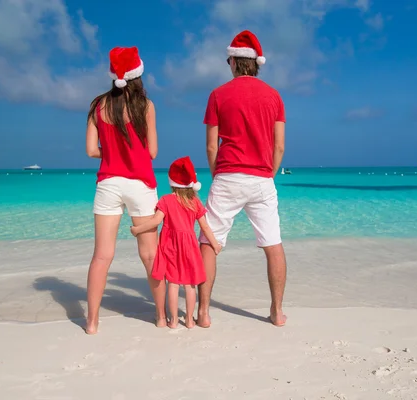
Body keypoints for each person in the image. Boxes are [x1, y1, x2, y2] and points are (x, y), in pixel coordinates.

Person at [198, 30, 287, 328]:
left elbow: (211, 146)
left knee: (209, 242)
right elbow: (279, 146)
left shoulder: (217, 95)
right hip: (262, 179)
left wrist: (217, 173)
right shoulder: (274, 96)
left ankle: (204, 312)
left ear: (234, 62)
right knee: (272, 244)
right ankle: (276, 312)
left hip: (228, 176)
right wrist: (269, 174)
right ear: (256, 64)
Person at [85, 46, 166, 334]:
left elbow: (90, 150)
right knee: (150, 256)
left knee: (102, 256)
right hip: (140, 184)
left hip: (108, 183)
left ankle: (92, 322)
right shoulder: (146, 106)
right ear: (138, 74)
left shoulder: (98, 105)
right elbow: (153, 151)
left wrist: (112, 152)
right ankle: (159, 316)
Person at [131, 157, 222, 329]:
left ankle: (172, 321)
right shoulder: (194, 202)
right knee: (189, 284)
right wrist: (215, 244)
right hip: (189, 247)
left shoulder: (165, 200)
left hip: (170, 246)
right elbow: (205, 227)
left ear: (172, 182)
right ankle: (188, 320)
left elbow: (156, 221)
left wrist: (138, 229)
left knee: (173, 282)